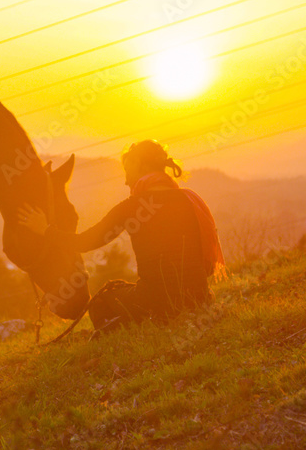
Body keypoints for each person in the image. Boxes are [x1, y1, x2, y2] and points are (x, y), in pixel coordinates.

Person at [17, 140, 225, 331]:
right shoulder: (190, 201)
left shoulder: (133, 206)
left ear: (140, 166)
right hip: (199, 300)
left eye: (127, 170)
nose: (126, 181)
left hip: (155, 302)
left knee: (102, 301)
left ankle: (125, 328)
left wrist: (45, 230)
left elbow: (85, 242)